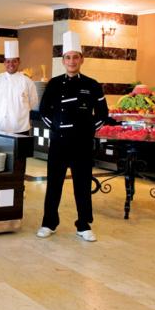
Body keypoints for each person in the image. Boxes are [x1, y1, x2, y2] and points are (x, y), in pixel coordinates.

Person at [37, 31, 108, 242]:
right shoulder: (54, 83)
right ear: (63, 61)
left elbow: (102, 114)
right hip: (58, 142)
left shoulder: (92, 84)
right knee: (54, 184)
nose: (71, 61)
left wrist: (88, 131)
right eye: (68, 57)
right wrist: (55, 128)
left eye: (75, 57)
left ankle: (84, 225)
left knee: (82, 185)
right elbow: (44, 111)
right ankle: (49, 223)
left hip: (82, 144)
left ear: (81, 60)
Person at [0, 40, 38, 134]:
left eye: (14, 61)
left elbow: (33, 102)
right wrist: (0, 109)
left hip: (21, 127)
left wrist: (19, 112)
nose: (11, 64)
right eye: (8, 61)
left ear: (19, 62)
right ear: (4, 63)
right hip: (0, 127)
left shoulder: (27, 81)